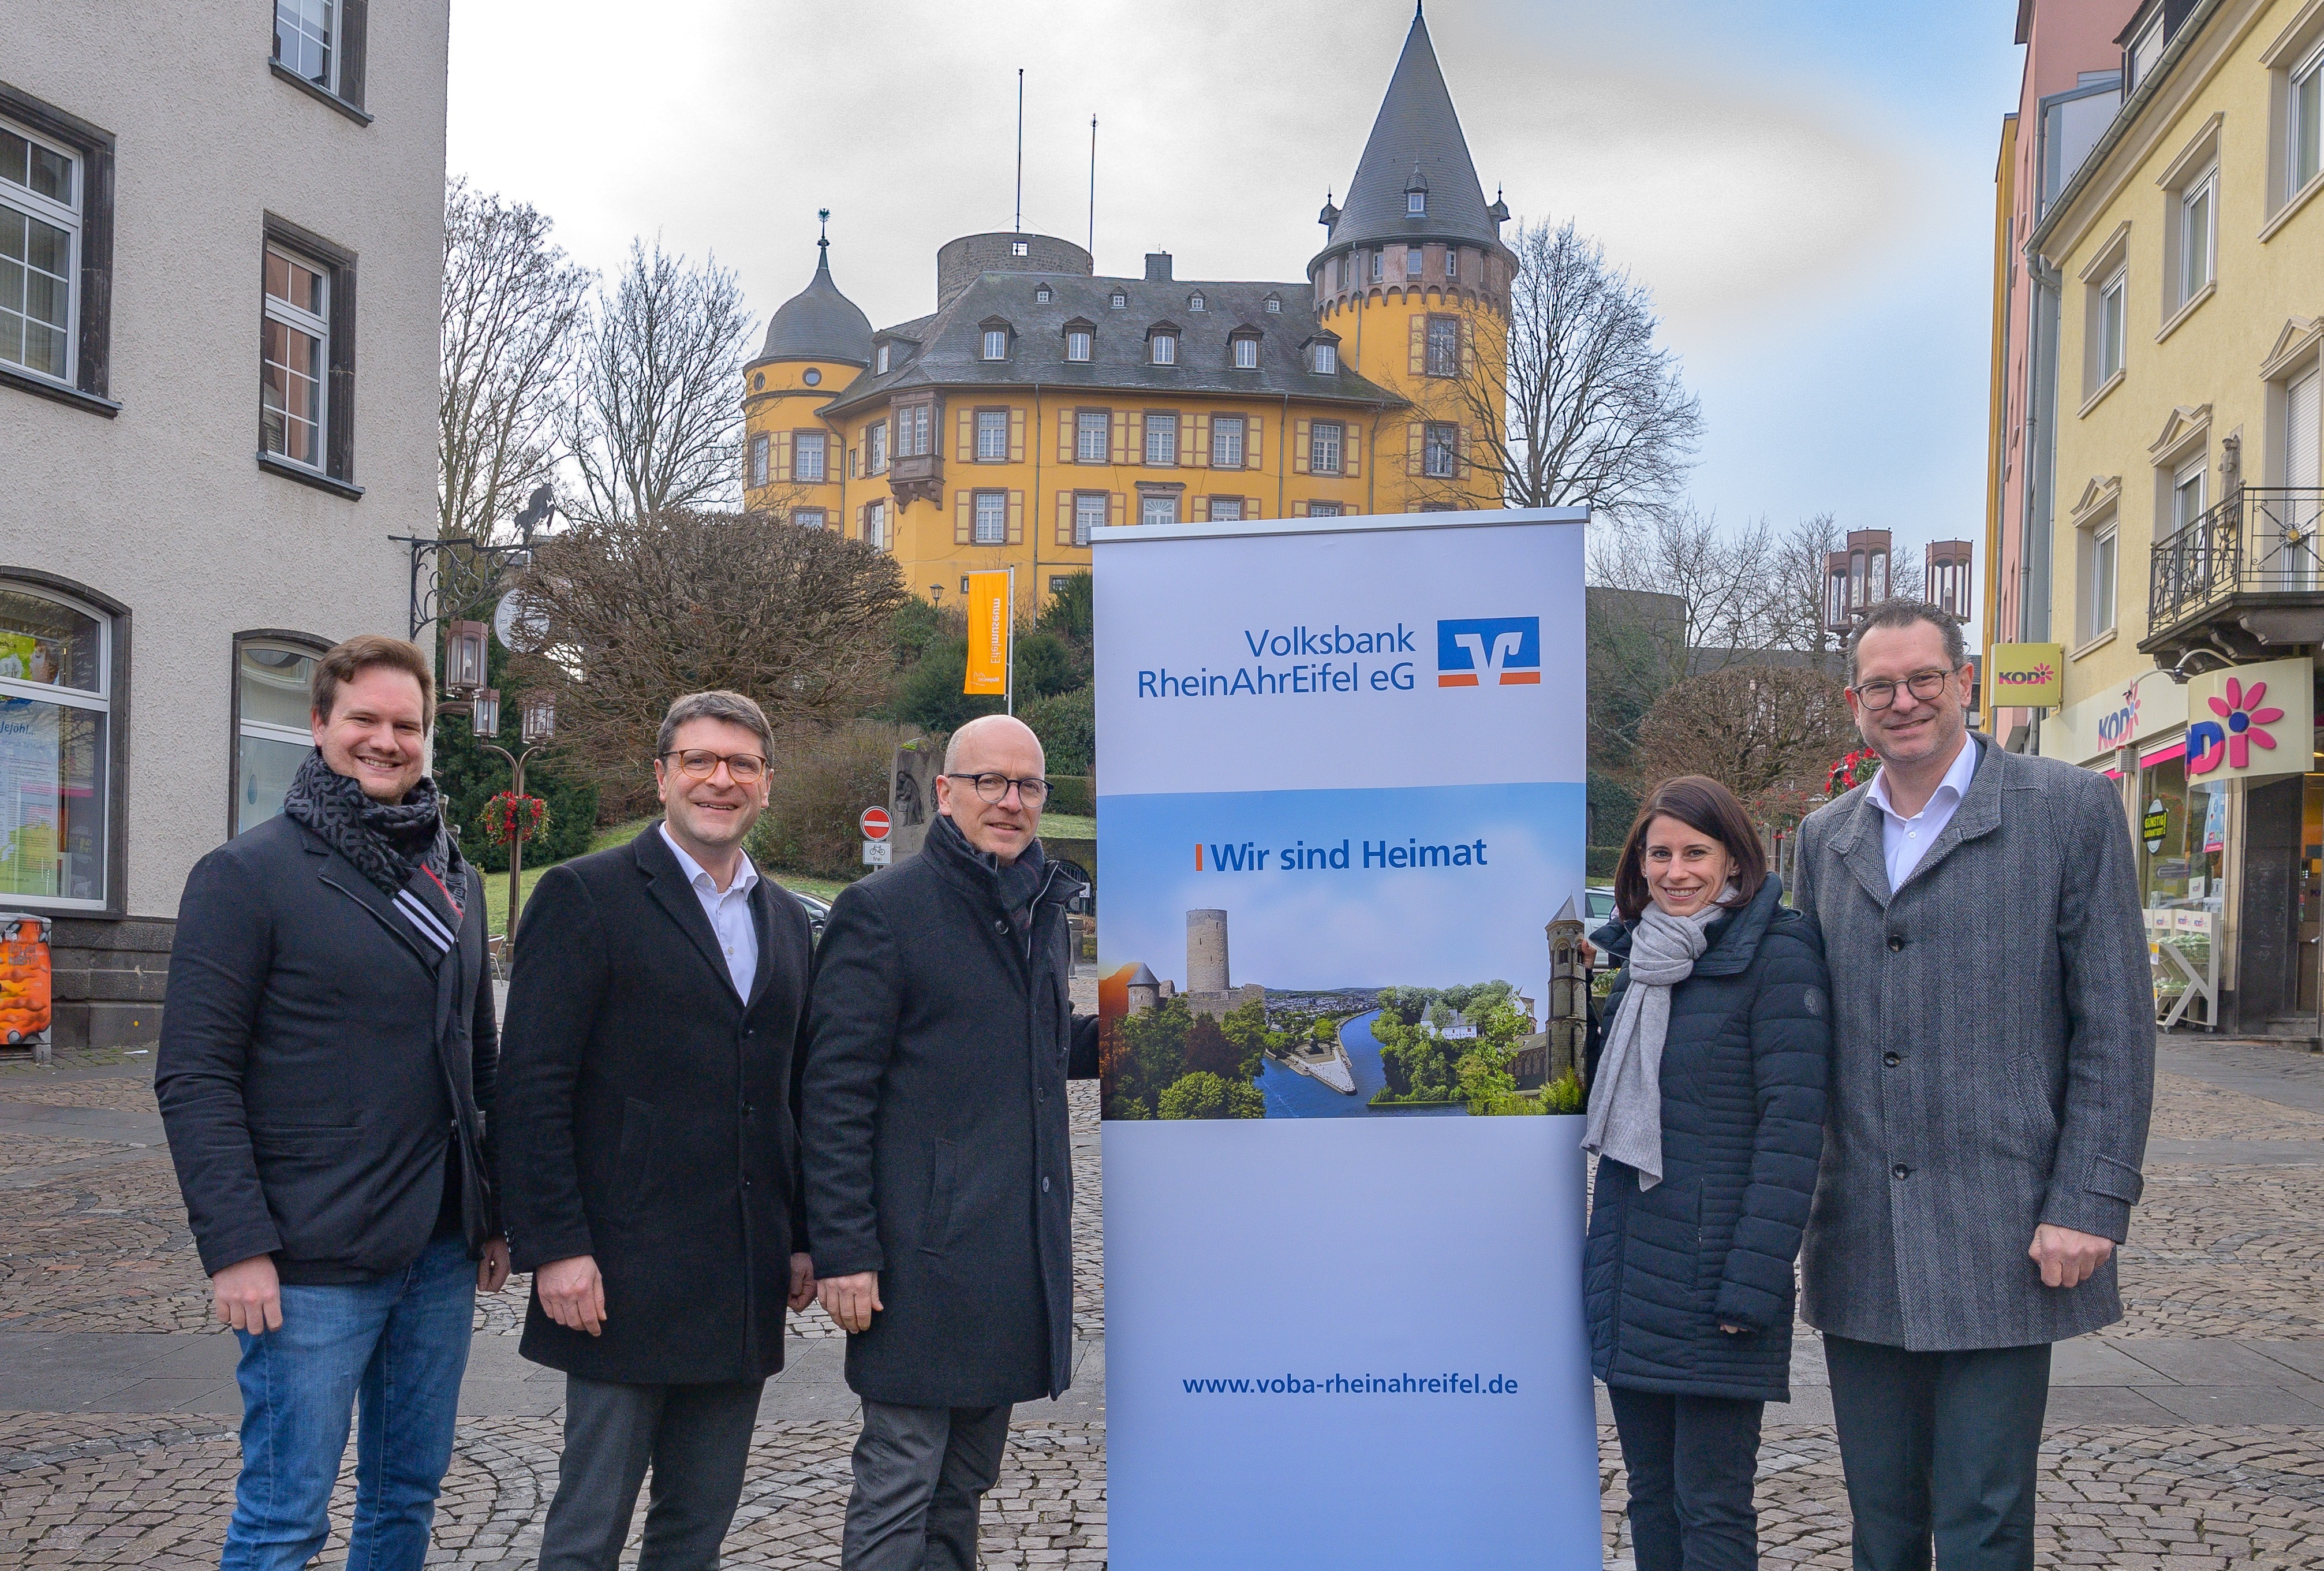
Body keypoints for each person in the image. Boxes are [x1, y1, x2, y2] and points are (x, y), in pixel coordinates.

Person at [1792, 599, 2153, 1571]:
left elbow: (2113, 1027)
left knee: (1985, 1515)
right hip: (1860, 1230)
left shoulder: (2066, 809)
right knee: (1882, 1519)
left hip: (2005, 1230)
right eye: (1880, 685)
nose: (1902, 701)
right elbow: (1796, 1033)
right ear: (1854, 701)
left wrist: (2090, 1199)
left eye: (1923, 679)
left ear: (1965, 683)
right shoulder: (1821, 837)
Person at [157, 635, 506, 1571]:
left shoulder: (456, 878)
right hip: (307, 1257)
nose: (386, 740)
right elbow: (194, 1076)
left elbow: (479, 1059)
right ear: (319, 726)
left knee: (406, 1502)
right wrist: (237, 1248)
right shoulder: (245, 875)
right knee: (284, 1520)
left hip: (437, 1250)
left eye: (407, 725)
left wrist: (494, 1209)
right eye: (365, 719)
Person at [496, 690, 818, 1571]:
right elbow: (530, 1086)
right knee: (587, 1530)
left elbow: (785, 1092)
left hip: (742, 1274)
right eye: (700, 760)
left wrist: (798, 1238)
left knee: (696, 1529)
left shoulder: (787, 920)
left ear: (766, 784)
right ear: (661, 775)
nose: (721, 779)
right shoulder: (584, 895)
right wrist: (556, 1245)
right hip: (618, 1274)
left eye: (741, 764)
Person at [801, 713, 1100, 1571]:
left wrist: (1156, 1036)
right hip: (916, 1260)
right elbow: (833, 1095)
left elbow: (1043, 1043)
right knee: (900, 1485)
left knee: (962, 1487)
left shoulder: (1043, 909)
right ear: (945, 793)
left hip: (1012, 1254)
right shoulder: (882, 911)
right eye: (988, 782)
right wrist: (844, 1249)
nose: (1009, 801)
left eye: (1027, 785)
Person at [1583, 775, 1830, 1571]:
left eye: (1696, 851)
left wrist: (1754, 1282)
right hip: (1632, 1270)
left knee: (1712, 1505)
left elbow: (1792, 1131)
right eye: (1659, 852)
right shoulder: (1641, 963)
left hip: (1717, 1275)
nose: (1675, 870)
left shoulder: (1779, 955)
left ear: (1734, 859)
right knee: (1650, 1492)